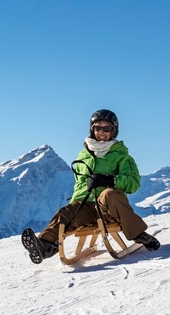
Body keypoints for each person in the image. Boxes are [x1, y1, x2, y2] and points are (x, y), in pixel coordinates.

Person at [21, 109, 159, 264]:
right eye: (97, 128)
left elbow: (133, 182)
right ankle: (44, 246)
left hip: (109, 208)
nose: (101, 132)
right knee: (64, 213)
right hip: (86, 206)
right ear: (92, 130)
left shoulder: (122, 156)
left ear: (113, 131)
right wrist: (75, 204)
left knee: (109, 194)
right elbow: (80, 184)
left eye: (106, 128)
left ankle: (138, 234)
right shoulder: (83, 155)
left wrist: (110, 180)